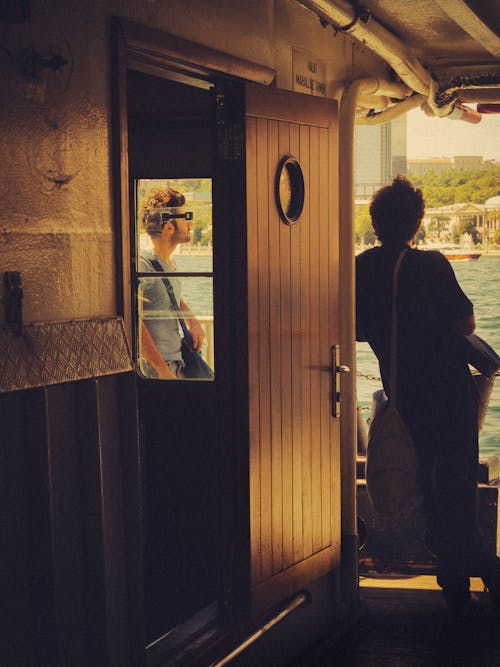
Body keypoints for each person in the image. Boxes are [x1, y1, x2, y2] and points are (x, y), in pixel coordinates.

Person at [356, 175, 500, 615]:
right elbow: (466, 324)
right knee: (455, 486)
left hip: (402, 394)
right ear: (417, 223)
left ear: (376, 222)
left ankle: (455, 570)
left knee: (423, 485)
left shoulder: (362, 267)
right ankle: (472, 575)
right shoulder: (432, 264)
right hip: (448, 395)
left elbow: (359, 328)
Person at [139, 187, 205, 379]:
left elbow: (170, 296)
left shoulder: (168, 263)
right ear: (169, 228)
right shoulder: (144, 267)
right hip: (157, 370)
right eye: (186, 217)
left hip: (175, 364)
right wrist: (162, 370)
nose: (190, 223)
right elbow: (136, 323)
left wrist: (192, 320)